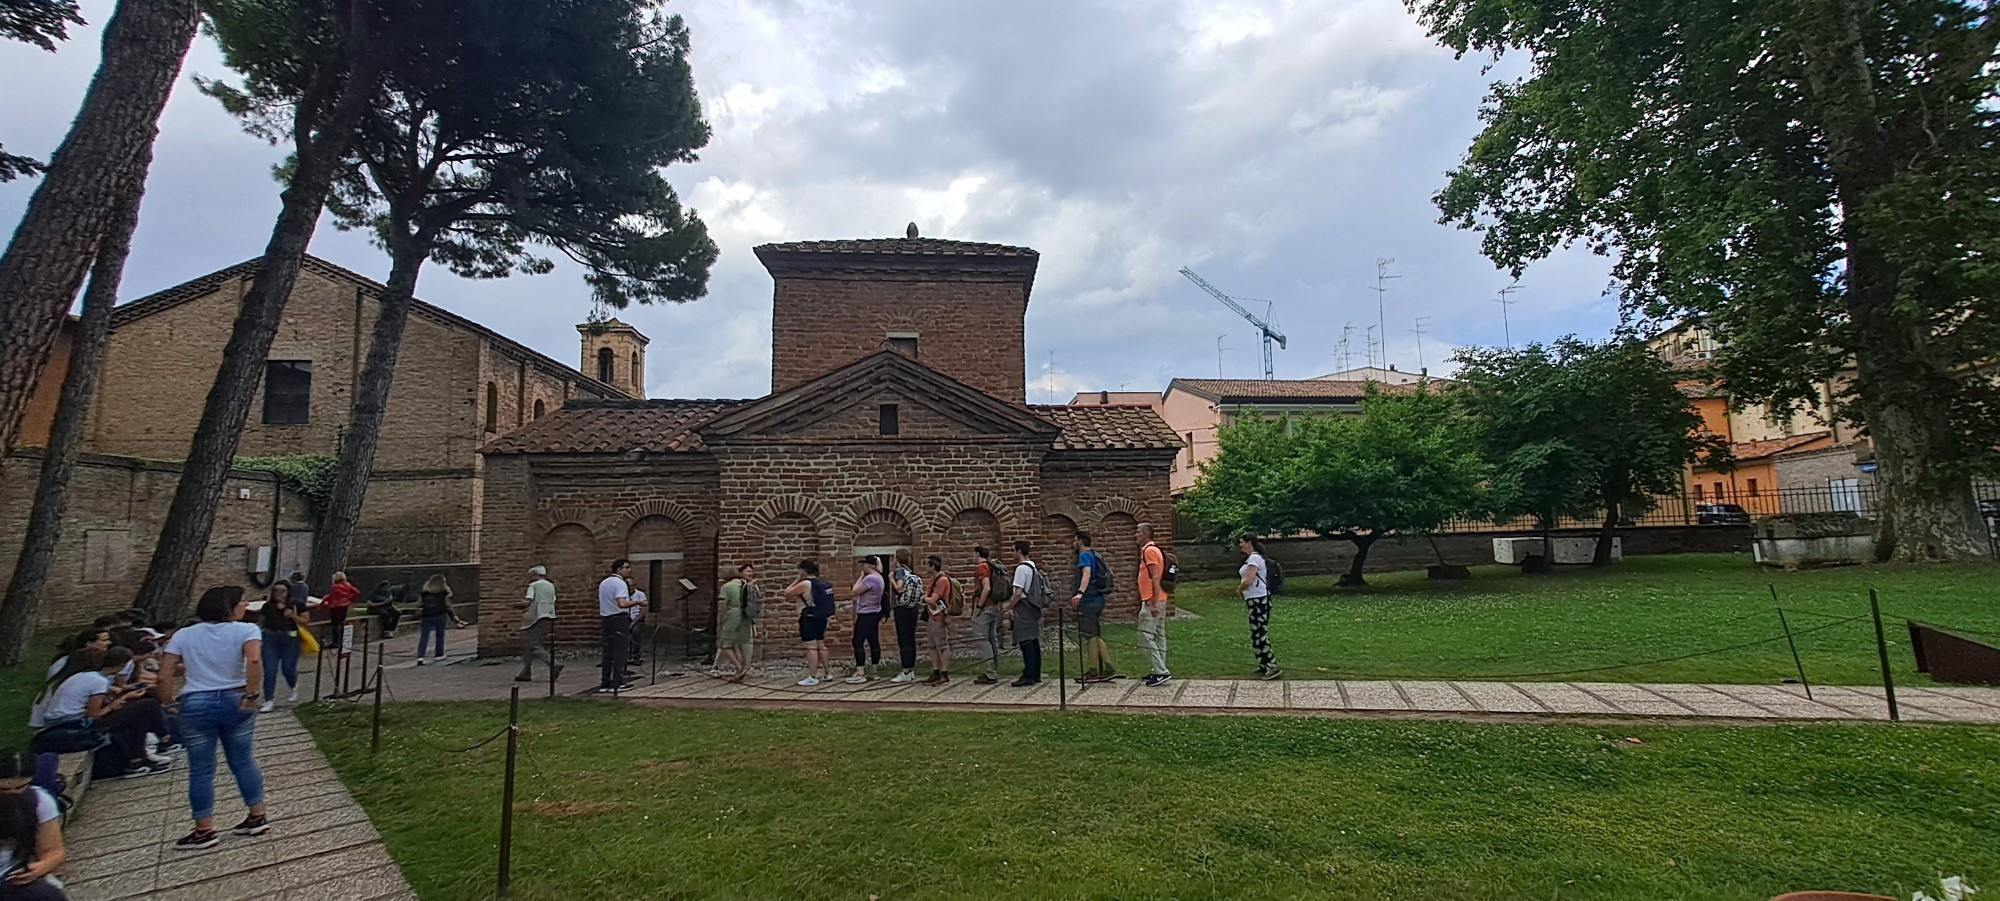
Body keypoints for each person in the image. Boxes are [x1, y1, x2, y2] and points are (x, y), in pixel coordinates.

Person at [158, 586, 270, 851]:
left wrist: (167, 702)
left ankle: (204, 829)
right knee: (243, 761)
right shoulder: (246, 631)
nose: (246, 606)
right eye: (242, 602)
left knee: (201, 770)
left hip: (196, 700)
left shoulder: (183, 635)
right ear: (230, 607)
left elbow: (164, 674)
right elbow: (254, 661)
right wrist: (252, 695)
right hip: (235, 697)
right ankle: (257, 816)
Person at [37, 648, 173, 780]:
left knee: (136, 715)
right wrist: (118, 702)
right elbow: (94, 715)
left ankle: (137, 760)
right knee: (147, 704)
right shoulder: (99, 681)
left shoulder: (87, 675)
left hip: (67, 719)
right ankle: (165, 737)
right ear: (121, 665)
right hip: (72, 723)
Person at [0, 752, 69, 900]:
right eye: (4, 789)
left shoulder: (39, 800)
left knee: (46, 895)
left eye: (21, 787)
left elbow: (54, 851)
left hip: (10, 877)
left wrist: (38, 869)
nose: (13, 793)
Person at [1070, 531, 1115, 683]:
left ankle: (1093, 671)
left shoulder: (1084, 556)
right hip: (1098, 599)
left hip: (1089, 600)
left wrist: (1079, 593)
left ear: (1081, 542)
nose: (1073, 543)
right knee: (1095, 635)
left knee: (1090, 636)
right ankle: (1109, 668)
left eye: (1075, 540)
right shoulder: (1096, 555)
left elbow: (1086, 574)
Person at [257, 583, 306, 711]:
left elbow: (305, 621)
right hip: (270, 638)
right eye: (276, 590)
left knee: (288, 667)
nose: (279, 593)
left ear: (288, 591)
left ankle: (293, 685)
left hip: (290, 638)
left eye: (283, 590)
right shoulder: (268, 606)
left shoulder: (297, 604)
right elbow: (261, 621)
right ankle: (268, 700)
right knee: (270, 670)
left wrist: (292, 615)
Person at [785, 560, 835, 686]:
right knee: (821, 644)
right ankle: (827, 673)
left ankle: (812, 676)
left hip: (809, 616)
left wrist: (797, 579)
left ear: (803, 570)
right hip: (821, 616)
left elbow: (788, 593)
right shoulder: (822, 582)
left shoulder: (806, 584)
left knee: (811, 647)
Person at [1237, 536, 1280, 680]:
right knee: (1256, 633)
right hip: (1253, 599)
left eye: (1242, 542)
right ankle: (1263, 664)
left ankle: (1272, 666)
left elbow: (1248, 580)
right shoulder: (1252, 558)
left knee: (1260, 632)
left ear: (1249, 543)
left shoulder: (1254, 559)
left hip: (1259, 599)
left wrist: (1239, 590)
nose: (1240, 545)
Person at [1003, 541, 1045, 687]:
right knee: (1033, 641)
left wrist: (1009, 606)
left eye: (1013, 550)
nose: (1012, 553)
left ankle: (1029, 674)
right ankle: (1036, 673)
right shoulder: (1032, 566)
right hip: (1034, 606)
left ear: (1019, 551)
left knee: (1025, 641)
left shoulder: (1021, 569)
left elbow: (1018, 593)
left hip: (1024, 607)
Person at [1136, 523, 1171, 687]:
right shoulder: (1154, 550)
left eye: (1137, 532)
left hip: (1152, 600)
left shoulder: (1149, 551)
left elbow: (1155, 578)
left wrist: (1154, 603)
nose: (1135, 535)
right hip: (1159, 598)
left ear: (1145, 534)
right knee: (1158, 634)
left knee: (1145, 636)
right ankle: (1160, 669)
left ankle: (1161, 671)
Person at [597, 560, 641, 693]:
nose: (629, 570)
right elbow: (621, 603)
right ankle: (618, 682)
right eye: (626, 567)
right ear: (618, 569)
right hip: (619, 619)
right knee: (620, 651)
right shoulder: (620, 583)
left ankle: (605, 682)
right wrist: (638, 602)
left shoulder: (603, 583)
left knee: (608, 652)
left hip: (606, 619)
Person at [844, 557, 886, 684]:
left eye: (864, 565)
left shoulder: (870, 579)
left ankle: (860, 672)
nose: (862, 567)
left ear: (870, 566)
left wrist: (861, 576)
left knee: (857, 641)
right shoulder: (879, 578)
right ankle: (873, 671)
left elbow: (854, 591)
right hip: (875, 612)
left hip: (866, 613)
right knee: (873, 641)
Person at [516, 565, 560, 682]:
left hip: (535, 617)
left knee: (534, 645)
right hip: (549, 615)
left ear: (535, 575)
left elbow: (527, 601)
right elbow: (553, 600)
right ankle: (526, 672)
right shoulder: (551, 586)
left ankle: (554, 664)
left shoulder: (533, 586)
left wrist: (516, 605)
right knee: (529, 646)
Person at [715, 564, 757, 682]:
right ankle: (739, 671)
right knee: (737, 644)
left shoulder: (727, 587)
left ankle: (739, 668)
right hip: (745, 616)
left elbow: (723, 606)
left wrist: (721, 620)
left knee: (725, 644)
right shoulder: (744, 584)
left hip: (732, 615)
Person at [887, 551, 924, 684]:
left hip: (902, 608)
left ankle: (906, 670)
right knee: (910, 637)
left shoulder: (899, 572)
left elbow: (899, 588)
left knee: (903, 639)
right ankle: (911, 669)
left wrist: (891, 578)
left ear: (897, 559)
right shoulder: (911, 572)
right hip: (913, 607)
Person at [970, 547, 1004, 685]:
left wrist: (979, 607)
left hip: (986, 607)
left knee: (982, 639)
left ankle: (990, 673)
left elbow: (987, 587)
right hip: (994, 607)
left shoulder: (982, 567)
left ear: (977, 554)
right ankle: (994, 669)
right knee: (992, 639)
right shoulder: (992, 566)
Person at [414, 574, 461, 666]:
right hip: (440, 614)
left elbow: (419, 604)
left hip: (426, 615)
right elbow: (448, 606)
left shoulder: (424, 593)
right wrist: (453, 617)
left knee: (424, 637)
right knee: (440, 635)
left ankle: (420, 656)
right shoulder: (444, 593)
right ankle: (439, 654)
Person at [921, 555, 954, 685]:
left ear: (933, 566)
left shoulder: (942, 580)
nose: (925, 567)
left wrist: (924, 598)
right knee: (932, 645)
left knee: (942, 645)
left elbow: (933, 600)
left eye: (927, 565)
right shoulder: (933, 580)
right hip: (931, 616)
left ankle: (944, 673)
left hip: (939, 617)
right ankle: (936, 671)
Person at [322, 572, 360, 648]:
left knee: (335, 624)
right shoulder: (348, 585)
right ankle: (342, 641)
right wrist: (349, 598)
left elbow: (332, 597)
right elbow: (357, 593)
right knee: (341, 623)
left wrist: (324, 600)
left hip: (336, 606)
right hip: (345, 606)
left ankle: (336, 642)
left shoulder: (335, 586)